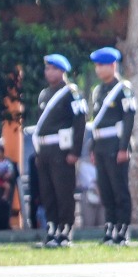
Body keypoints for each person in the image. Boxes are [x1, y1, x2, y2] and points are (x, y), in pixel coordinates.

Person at [31, 53, 87, 248]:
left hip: (61, 149)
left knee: (63, 191)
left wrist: (75, 151)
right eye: (47, 68)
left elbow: (80, 123)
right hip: (45, 149)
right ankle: (52, 228)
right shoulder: (44, 94)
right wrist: (38, 152)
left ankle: (65, 230)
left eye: (53, 68)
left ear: (62, 71)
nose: (49, 72)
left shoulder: (71, 92)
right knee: (47, 192)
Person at [87, 47, 136, 245]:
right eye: (97, 65)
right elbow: (96, 122)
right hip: (100, 146)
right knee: (105, 191)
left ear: (113, 65)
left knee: (119, 190)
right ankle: (110, 228)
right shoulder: (98, 90)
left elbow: (129, 118)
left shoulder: (123, 89)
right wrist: (92, 148)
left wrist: (124, 148)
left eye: (102, 65)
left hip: (116, 146)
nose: (98, 69)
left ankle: (122, 230)